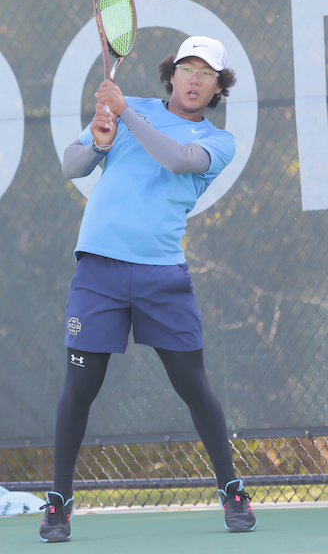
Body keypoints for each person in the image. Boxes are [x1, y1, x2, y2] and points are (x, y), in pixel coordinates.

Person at [39, 35, 257, 543]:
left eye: (208, 72)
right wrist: (98, 139)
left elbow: (178, 159)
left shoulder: (219, 142)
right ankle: (60, 502)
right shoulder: (127, 106)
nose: (196, 79)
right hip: (98, 275)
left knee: (194, 387)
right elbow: (72, 165)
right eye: (188, 68)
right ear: (172, 74)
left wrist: (126, 117)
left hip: (162, 278)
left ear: (218, 87)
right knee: (80, 389)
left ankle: (231, 489)